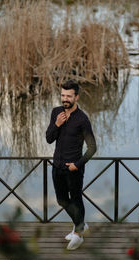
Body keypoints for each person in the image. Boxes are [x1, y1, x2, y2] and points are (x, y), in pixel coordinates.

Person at [46, 80, 97, 250]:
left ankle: (79, 234)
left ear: (77, 97)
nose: (65, 99)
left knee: (76, 199)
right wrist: (57, 124)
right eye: (62, 95)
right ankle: (80, 223)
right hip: (57, 166)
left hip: (73, 168)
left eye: (68, 96)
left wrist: (78, 164)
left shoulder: (82, 120)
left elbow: (92, 147)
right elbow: (49, 138)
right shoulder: (56, 113)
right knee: (62, 200)